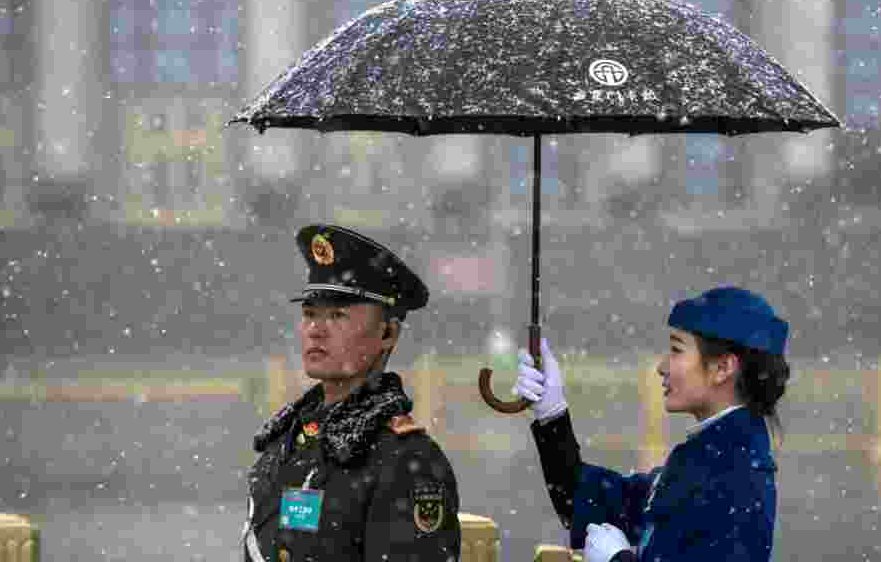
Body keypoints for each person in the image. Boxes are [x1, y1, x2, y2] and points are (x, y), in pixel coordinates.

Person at [513, 286, 790, 562]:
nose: (662, 366)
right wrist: (552, 413)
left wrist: (618, 560)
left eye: (676, 350)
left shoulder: (735, 479)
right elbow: (589, 502)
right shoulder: (708, 460)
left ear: (722, 368)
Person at [243, 223, 461, 562]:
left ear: (387, 334)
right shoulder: (288, 441)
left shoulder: (406, 463)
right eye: (310, 313)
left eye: (337, 315)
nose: (316, 329)